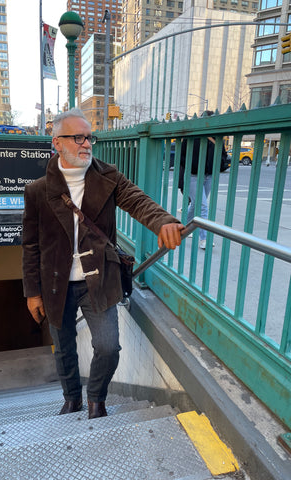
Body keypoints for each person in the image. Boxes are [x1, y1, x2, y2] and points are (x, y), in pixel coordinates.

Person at [22, 108, 184, 419]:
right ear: (57, 142)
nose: (86, 144)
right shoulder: (38, 191)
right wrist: (32, 292)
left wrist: (164, 221)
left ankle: (96, 398)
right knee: (64, 346)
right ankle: (72, 399)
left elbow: (138, 201)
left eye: (89, 137)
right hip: (55, 284)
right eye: (78, 137)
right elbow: (30, 246)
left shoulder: (108, 177)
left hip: (98, 280)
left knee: (109, 347)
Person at [180, 111, 228, 249]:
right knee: (203, 206)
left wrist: (215, 166)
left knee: (196, 204)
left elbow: (223, 155)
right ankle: (204, 238)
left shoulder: (217, 138)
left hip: (209, 175)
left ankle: (185, 227)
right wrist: (194, 166)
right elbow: (183, 156)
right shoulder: (191, 136)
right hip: (193, 175)